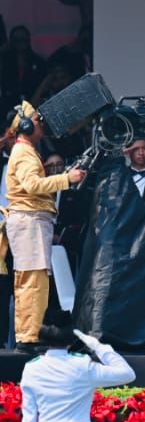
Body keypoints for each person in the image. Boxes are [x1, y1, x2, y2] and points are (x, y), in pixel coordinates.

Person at [2, 102, 85, 350]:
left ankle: (31, 333)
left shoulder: (26, 150)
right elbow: (32, 185)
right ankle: (27, 337)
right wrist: (66, 179)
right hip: (29, 221)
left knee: (37, 280)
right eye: (37, 121)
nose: (41, 125)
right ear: (26, 126)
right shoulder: (23, 152)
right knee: (31, 280)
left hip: (32, 221)